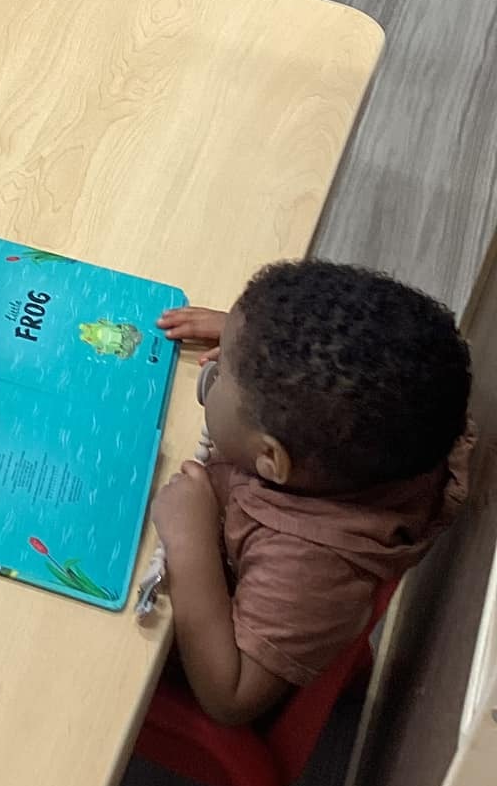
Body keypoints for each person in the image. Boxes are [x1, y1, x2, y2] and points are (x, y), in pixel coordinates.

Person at [152, 260, 472, 726]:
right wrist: (259, 352)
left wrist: (189, 542)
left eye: (224, 373)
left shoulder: (307, 567)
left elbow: (232, 697)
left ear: (272, 460)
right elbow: (355, 365)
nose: (216, 366)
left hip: (196, 642)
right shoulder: (395, 424)